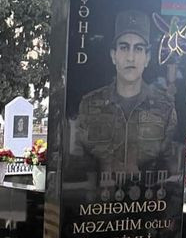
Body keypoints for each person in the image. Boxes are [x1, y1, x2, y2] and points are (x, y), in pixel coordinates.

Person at [75, 10, 178, 176]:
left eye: (138, 49)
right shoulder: (89, 106)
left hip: (147, 191)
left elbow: (169, 168)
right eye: (124, 48)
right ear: (113, 55)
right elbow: (78, 164)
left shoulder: (165, 109)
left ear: (147, 58)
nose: (130, 57)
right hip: (99, 191)